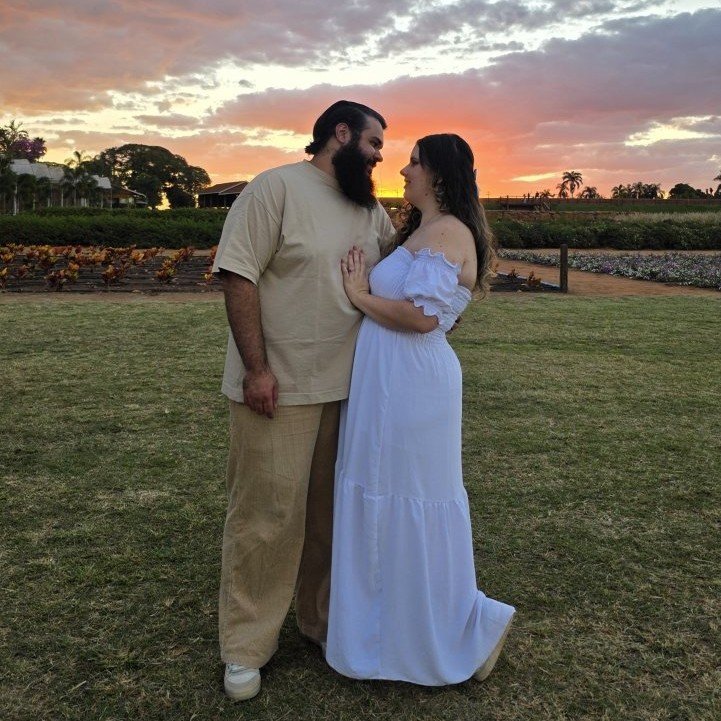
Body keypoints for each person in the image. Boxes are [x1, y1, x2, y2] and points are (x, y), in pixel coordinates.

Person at [212, 100, 396, 701]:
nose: (379, 157)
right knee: (266, 518)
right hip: (279, 388)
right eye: (374, 143)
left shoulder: (368, 209)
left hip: (349, 390)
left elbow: (402, 263)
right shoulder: (275, 188)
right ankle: (246, 648)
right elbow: (238, 274)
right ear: (341, 133)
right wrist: (257, 369)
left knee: (329, 519)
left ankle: (320, 624)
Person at [326, 133, 516, 686]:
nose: (403, 170)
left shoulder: (449, 231)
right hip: (386, 379)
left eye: (413, 162)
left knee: (410, 495)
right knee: (381, 491)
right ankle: (385, 637)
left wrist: (359, 296)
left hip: (410, 384)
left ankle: (456, 632)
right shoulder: (422, 231)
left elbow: (423, 318)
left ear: (437, 172)